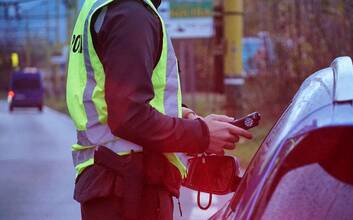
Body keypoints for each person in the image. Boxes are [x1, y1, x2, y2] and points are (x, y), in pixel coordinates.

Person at [66, 0, 252, 219]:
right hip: (131, 190)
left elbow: (116, 97)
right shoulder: (131, 14)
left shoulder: (108, 7)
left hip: (113, 186)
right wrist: (202, 135)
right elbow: (129, 116)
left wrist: (186, 118)